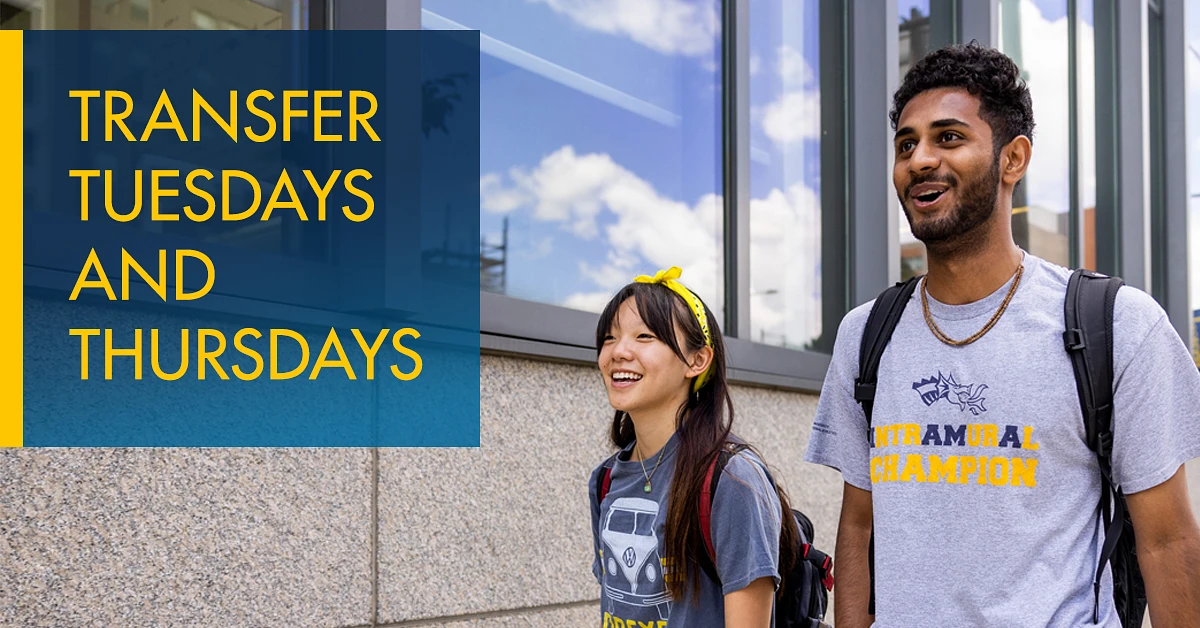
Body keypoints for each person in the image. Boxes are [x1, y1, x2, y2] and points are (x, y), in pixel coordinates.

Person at [804, 42, 1200, 628]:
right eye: (906, 144)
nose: (919, 160)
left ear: (1013, 159)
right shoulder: (866, 334)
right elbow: (859, 528)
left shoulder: (1115, 324)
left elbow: (1168, 543)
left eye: (949, 137)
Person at [588, 267, 798, 627]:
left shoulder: (732, 479)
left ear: (697, 360)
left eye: (644, 336)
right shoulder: (606, 479)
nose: (619, 351)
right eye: (609, 338)